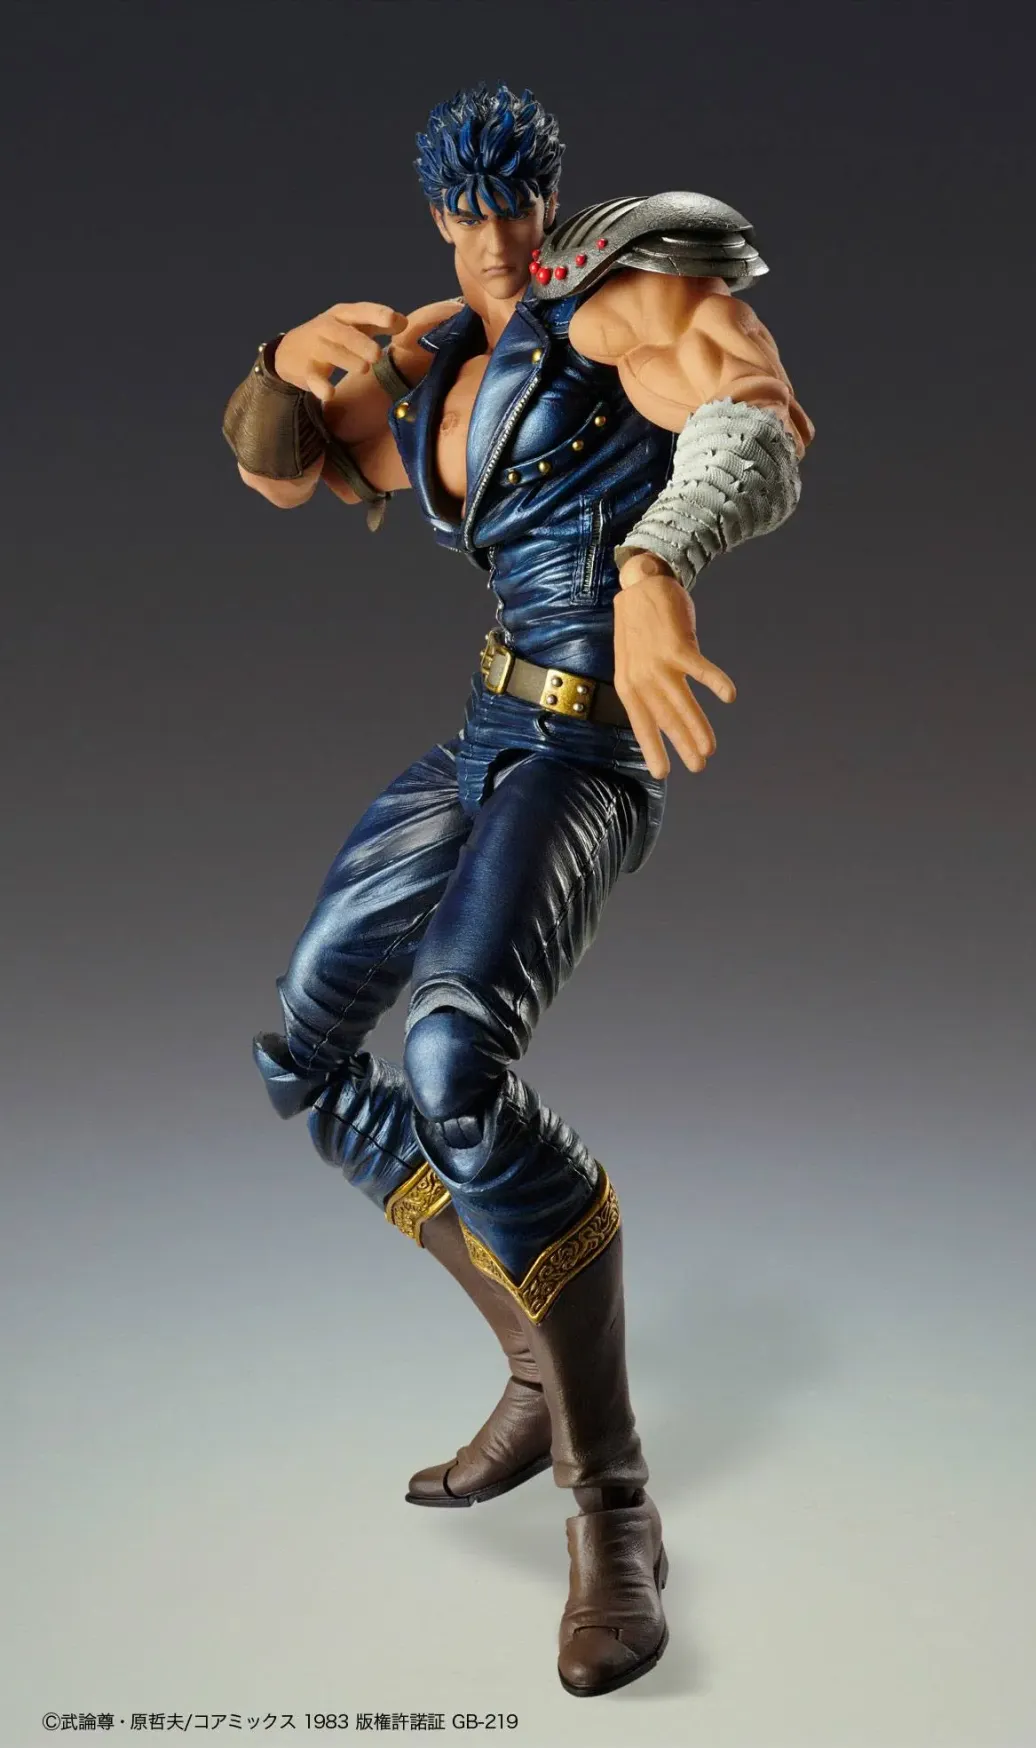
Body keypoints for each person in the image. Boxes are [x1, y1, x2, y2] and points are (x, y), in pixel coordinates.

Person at [222, 81, 813, 1698]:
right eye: (464, 213)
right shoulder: (431, 363)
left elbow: (757, 416)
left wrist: (656, 561)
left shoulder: (605, 302)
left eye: (514, 208)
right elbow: (283, 468)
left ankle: (612, 1502)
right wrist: (276, 365)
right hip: (487, 734)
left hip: (589, 749)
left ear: (548, 203)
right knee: (302, 1052)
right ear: (434, 216)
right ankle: (536, 1360)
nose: (492, 241)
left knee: (452, 1064)